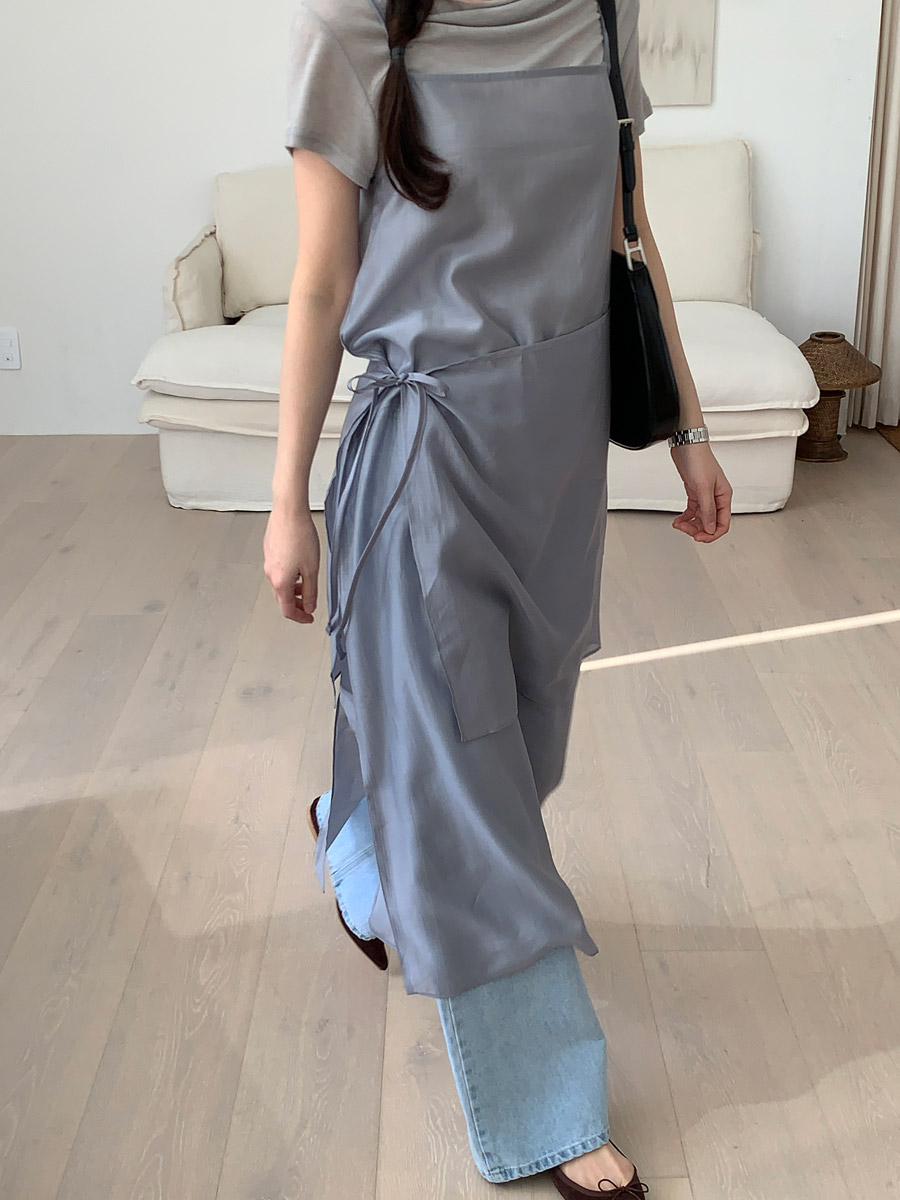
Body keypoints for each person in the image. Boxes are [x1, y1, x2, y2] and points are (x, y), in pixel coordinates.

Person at [263, 0, 733, 1194]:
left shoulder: (599, 12)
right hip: (427, 455)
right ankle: (552, 1112)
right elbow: (320, 284)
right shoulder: (352, 28)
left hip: (558, 461)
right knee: (471, 781)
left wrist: (687, 429)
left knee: (515, 744)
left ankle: (359, 849)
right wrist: (287, 502)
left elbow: (629, 229)